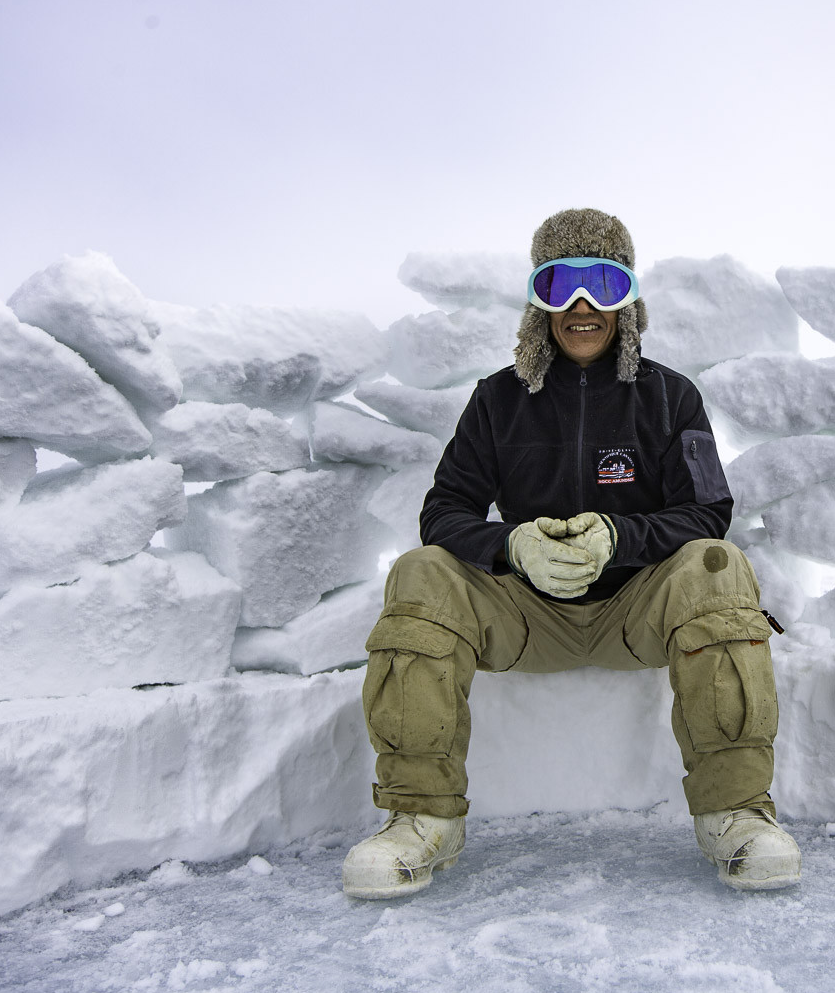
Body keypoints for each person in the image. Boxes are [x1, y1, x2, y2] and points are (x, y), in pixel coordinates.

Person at [341, 208, 802, 897]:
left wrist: (622, 538)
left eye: (603, 285)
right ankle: (420, 818)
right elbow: (442, 514)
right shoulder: (497, 400)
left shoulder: (672, 397)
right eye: (562, 286)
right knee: (421, 573)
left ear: (628, 300)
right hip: (529, 615)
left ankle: (734, 812)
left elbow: (710, 511)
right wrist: (513, 546)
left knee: (717, 565)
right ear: (540, 301)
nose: (582, 307)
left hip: (637, 608)